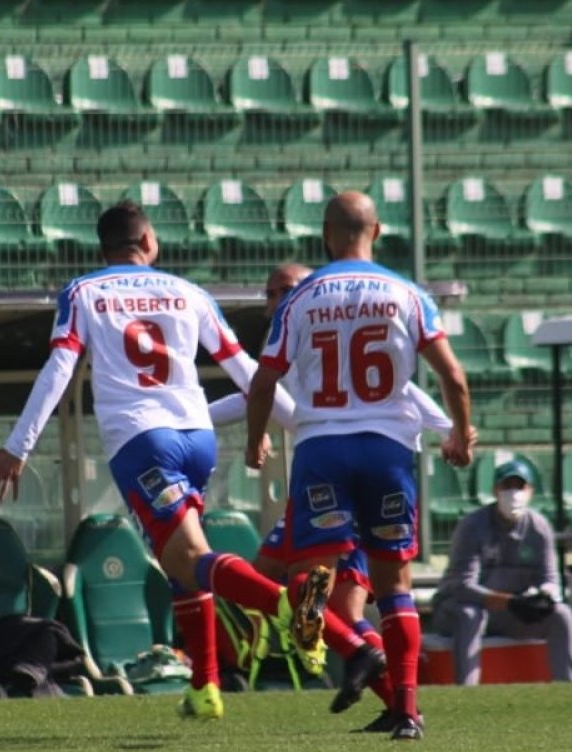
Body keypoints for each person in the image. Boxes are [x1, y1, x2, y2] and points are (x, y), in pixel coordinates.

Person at [0, 201, 314, 722]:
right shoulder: (188, 291)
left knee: (190, 555)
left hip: (142, 443)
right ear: (149, 242)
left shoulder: (85, 291)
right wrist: (307, 430)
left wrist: (19, 446)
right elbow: (248, 372)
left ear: (103, 248)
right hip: (198, 437)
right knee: (180, 568)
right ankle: (204, 687)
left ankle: (286, 607)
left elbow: (59, 367)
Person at [244, 191, 475, 740]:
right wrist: (462, 432)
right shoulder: (407, 293)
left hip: (322, 448)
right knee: (395, 582)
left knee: (310, 580)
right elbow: (453, 376)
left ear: (327, 234)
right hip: (386, 448)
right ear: (379, 230)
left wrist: (256, 440)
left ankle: (359, 648)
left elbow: (263, 380)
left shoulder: (302, 298)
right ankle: (408, 712)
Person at [209, 262, 459, 726]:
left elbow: (406, 394)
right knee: (305, 594)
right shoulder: (299, 346)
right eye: (271, 292)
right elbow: (252, 396)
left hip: (346, 484)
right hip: (328, 483)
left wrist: (447, 427)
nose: (279, 298)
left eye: (288, 289)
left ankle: (369, 670)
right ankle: (386, 689)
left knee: (314, 594)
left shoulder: (316, 334)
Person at [433, 458, 572, 685]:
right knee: (471, 614)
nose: (513, 493)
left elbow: (550, 578)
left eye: (519, 487)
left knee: (562, 614)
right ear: (495, 490)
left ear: (530, 491)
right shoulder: (472, 525)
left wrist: (541, 596)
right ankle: (467, 690)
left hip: (513, 613)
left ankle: (568, 686)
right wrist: (510, 602)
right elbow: (463, 587)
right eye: (506, 486)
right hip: (457, 610)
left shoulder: (539, 527)